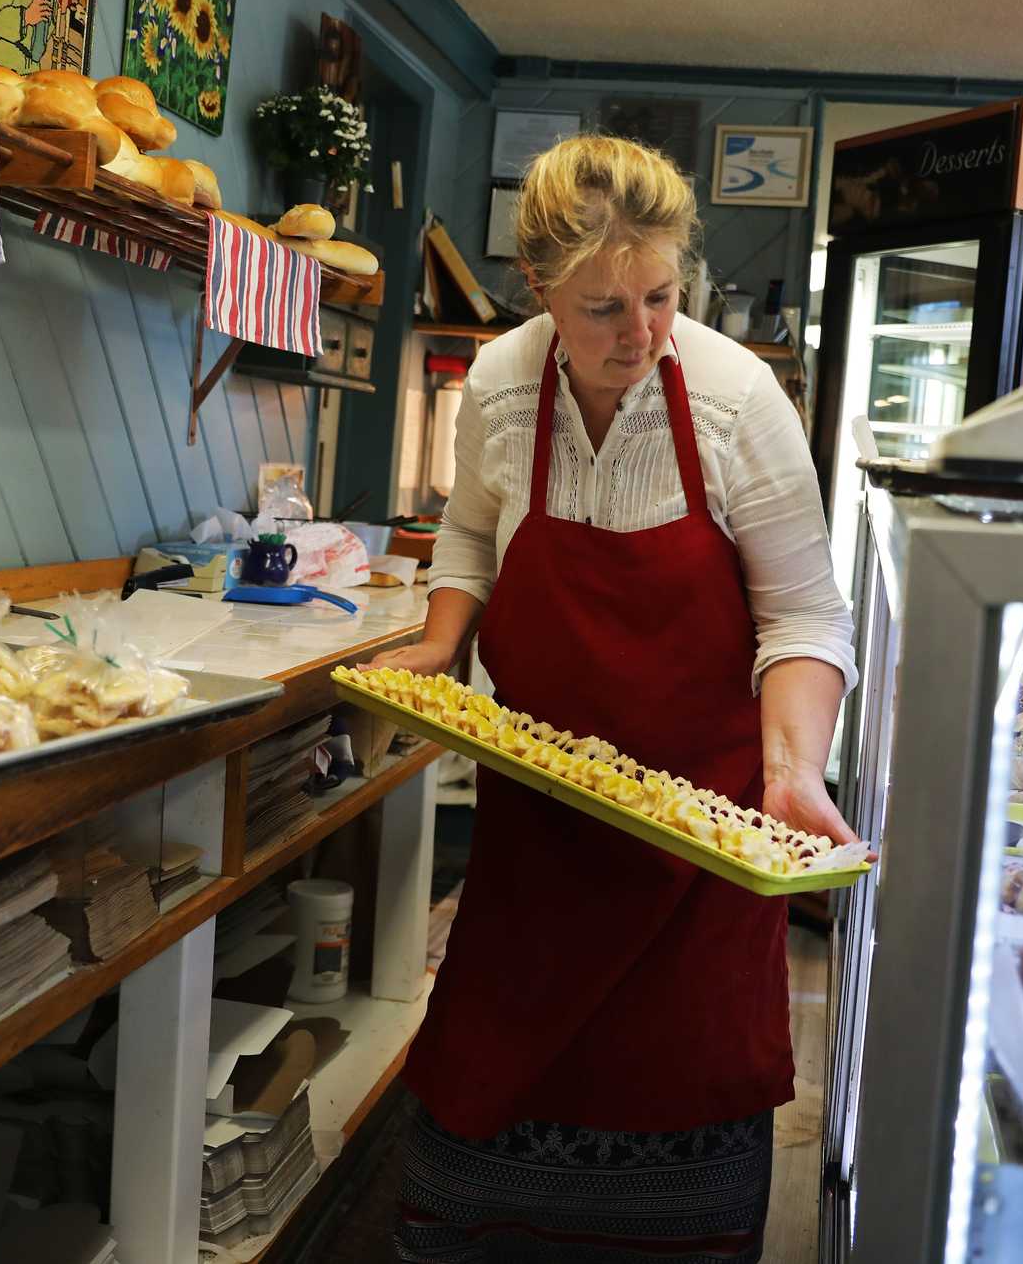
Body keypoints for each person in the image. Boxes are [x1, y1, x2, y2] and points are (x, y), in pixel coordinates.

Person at [368, 135, 859, 1262]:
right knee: (465, 1162)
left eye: (658, 296)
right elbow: (467, 531)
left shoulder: (738, 401)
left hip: (702, 848)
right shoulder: (496, 385)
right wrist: (442, 641)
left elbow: (803, 616)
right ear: (537, 287)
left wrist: (789, 771)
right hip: (537, 838)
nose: (637, 334)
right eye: (600, 307)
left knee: (679, 1164)